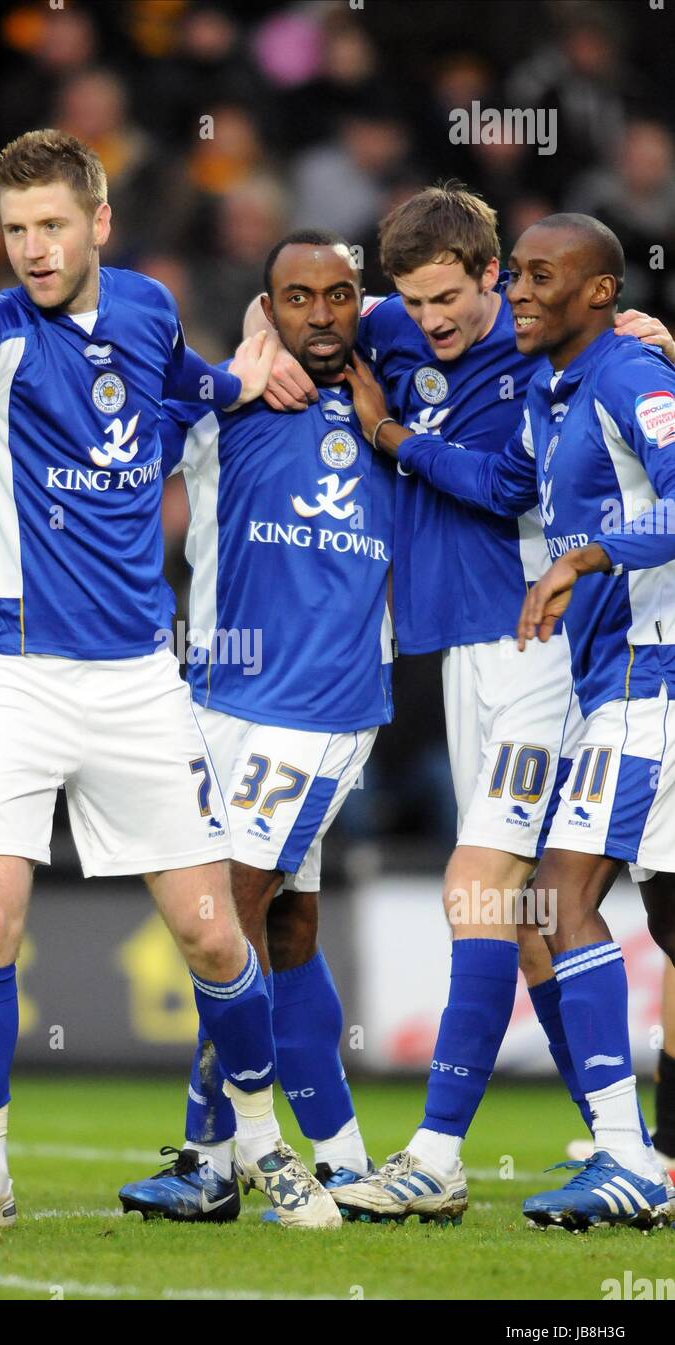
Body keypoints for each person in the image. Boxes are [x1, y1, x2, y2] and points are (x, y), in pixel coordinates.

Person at [0, 127, 341, 1231]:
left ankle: (261, 1147)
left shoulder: (148, 307)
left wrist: (240, 375)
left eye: (53, 225)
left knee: (213, 934)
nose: (33, 249)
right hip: (12, 677)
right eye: (15, 230)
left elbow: (184, 385)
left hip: (137, 684)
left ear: (99, 222)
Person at [248, 183, 673, 1225]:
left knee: (482, 887)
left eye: (456, 298)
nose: (432, 321)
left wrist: (392, 434)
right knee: (530, 924)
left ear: (496, 279)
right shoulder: (395, 322)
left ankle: (440, 1153)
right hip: (455, 653)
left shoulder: (545, 347)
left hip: (542, 654)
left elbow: (516, 480)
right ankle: (625, 1145)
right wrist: (260, 340)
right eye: (414, 302)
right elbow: (300, 306)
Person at [118, 231, 392, 1220]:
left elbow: (482, 325)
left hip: (319, 708)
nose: (321, 314)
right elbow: (135, 433)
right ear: (266, 307)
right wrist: (234, 365)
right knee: (282, 924)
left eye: (340, 295)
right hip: (217, 699)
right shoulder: (230, 400)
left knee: (222, 918)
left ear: (363, 301)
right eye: (297, 297)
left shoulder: (393, 395)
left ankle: (217, 1156)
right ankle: (350, 1161)